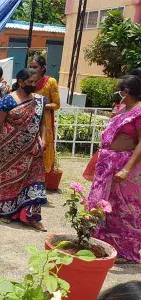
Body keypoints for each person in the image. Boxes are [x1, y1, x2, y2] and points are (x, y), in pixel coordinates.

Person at [87, 75, 141, 264]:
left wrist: (126, 169)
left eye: (119, 90)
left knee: (123, 209)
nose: (117, 93)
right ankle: (100, 244)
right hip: (108, 164)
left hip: (124, 167)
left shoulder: (139, 111)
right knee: (100, 204)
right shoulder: (123, 109)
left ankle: (126, 252)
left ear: (127, 92)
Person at [0, 68, 48, 232]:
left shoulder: (39, 101)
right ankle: (6, 213)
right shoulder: (8, 100)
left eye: (35, 82)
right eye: (30, 82)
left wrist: (43, 139)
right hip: (11, 149)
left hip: (33, 149)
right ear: (21, 82)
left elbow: (42, 123)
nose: (33, 85)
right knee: (10, 180)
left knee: (34, 180)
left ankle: (31, 217)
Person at [29, 55, 60, 177]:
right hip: (29, 119)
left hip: (45, 121)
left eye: (35, 67)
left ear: (43, 68)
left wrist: (40, 104)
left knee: (44, 148)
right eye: (30, 66)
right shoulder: (28, 80)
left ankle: (43, 178)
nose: (32, 69)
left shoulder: (50, 82)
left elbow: (56, 104)